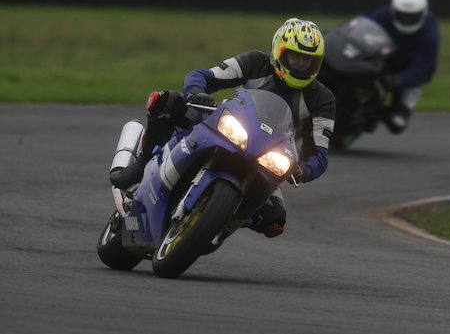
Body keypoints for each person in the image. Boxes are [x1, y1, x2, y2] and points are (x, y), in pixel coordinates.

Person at [109, 18, 335, 238]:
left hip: (267, 157)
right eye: (295, 57)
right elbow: (203, 75)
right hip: (228, 126)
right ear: (279, 51)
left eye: (309, 61)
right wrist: (197, 93)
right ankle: (141, 165)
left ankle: (220, 225)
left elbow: (319, 153)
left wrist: (302, 170)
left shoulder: (323, 99)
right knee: (166, 101)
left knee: (274, 220)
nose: (301, 65)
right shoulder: (256, 62)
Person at [367, 0, 440, 133]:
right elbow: (361, 25)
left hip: (409, 71)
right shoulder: (384, 14)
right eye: (402, 15)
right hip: (384, 58)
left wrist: (400, 79)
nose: (407, 20)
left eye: (412, 16)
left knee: (397, 123)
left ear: (423, 13)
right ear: (394, 10)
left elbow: (422, 69)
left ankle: (395, 110)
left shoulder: (430, 34)